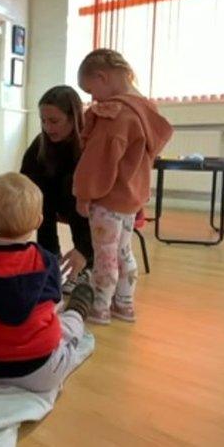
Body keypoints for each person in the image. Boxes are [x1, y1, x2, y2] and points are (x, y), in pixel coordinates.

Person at [0, 172, 94, 392]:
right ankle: (78, 311)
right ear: (39, 221)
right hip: (42, 371)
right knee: (66, 323)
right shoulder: (46, 261)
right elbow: (54, 303)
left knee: (54, 324)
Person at [74, 49, 172, 324]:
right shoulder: (146, 111)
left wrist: (84, 193)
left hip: (107, 198)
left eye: (91, 90)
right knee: (123, 251)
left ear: (103, 77)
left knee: (104, 254)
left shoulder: (115, 114)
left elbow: (98, 159)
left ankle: (100, 307)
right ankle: (125, 303)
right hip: (131, 198)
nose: (93, 99)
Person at [21, 85, 95, 292]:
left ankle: (86, 262)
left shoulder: (89, 143)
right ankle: (50, 257)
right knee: (38, 188)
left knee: (73, 184)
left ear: (74, 118)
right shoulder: (41, 143)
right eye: (43, 121)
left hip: (85, 204)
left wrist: (84, 247)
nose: (47, 128)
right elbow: (24, 179)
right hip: (52, 202)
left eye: (54, 121)